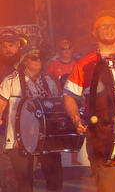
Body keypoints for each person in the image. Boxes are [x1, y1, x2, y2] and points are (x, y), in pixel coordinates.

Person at [63, 10, 115, 192]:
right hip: (98, 136)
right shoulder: (84, 63)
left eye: (112, 26)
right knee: (108, 187)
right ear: (94, 33)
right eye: (104, 26)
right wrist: (75, 118)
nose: (110, 29)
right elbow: (69, 95)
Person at [0, 44, 63, 192]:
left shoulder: (49, 80)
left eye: (41, 57)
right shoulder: (10, 80)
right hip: (19, 140)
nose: (39, 60)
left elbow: (58, 105)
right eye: (34, 58)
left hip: (47, 139)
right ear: (24, 61)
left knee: (56, 179)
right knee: (25, 185)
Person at [0, 29, 20, 191]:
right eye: (4, 46)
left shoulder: (29, 63)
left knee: (26, 176)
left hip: (27, 131)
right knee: (8, 175)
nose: (8, 49)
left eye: (11, 45)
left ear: (19, 45)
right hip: (3, 130)